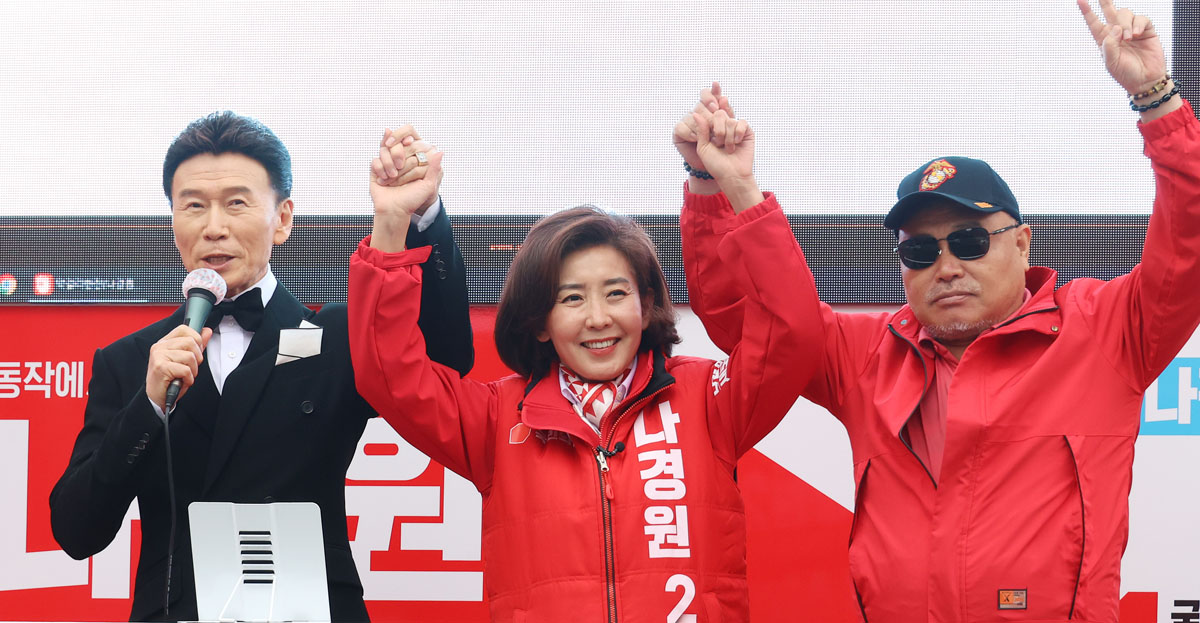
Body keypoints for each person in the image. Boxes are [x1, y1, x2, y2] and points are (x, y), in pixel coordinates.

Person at [675, 2, 1200, 621]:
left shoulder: (1105, 329)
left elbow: (1189, 242)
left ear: (1022, 244)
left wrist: (1156, 98)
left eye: (970, 241)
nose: (946, 267)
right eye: (921, 251)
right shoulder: (864, 354)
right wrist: (718, 187)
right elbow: (744, 319)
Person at [347, 116, 818, 621]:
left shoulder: (708, 398)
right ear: (540, 322)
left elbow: (792, 332)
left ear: (646, 304)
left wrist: (736, 186)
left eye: (615, 293)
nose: (598, 318)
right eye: (572, 298)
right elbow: (389, 372)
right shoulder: (496, 418)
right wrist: (392, 222)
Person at [49, 113, 474, 622]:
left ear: (283, 219)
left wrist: (419, 217)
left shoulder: (338, 337)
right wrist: (149, 406)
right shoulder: (132, 359)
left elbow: (446, 360)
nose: (214, 227)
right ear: (173, 221)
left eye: (236, 203)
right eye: (193, 206)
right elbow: (76, 531)